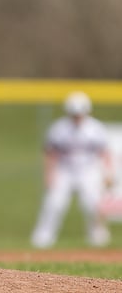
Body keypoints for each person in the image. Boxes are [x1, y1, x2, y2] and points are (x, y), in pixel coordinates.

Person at [30, 91, 114, 248]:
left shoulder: (96, 128)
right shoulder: (59, 128)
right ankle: (42, 238)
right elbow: (50, 152)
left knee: (93, 204)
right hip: (65, 170)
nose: (77, 117)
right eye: (74, 114)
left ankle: (98, 237)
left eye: (80, 114)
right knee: (54, 203)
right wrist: (49, 174)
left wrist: (108, 173)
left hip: (88, 171)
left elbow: (105, 153)